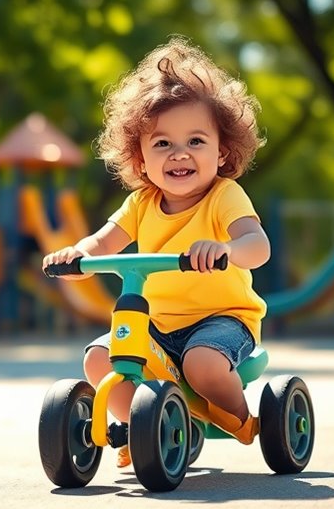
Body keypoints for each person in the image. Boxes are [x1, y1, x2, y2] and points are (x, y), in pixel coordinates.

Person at [42, 36, 270, 469]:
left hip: (223, 320)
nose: (179, 153)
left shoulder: (225, 196)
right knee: (98, 357)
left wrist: (225, 249)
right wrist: (77, 256)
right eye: (162, 143)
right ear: (140, 158)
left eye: (196, 141)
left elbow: (257, 247)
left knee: (203, 363)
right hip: (158, 326)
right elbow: (103, 241)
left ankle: (238, 417)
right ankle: (143, 431)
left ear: (221, 150)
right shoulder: (141, 203)